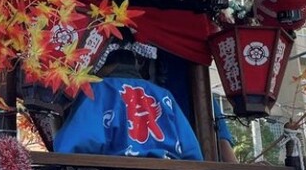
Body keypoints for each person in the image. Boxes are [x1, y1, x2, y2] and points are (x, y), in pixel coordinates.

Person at [54, 47, 203, 160]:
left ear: (107, 65)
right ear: (136, 65)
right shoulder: (164, 95)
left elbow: (76, 143)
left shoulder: (98, 89)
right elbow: (192, 152)